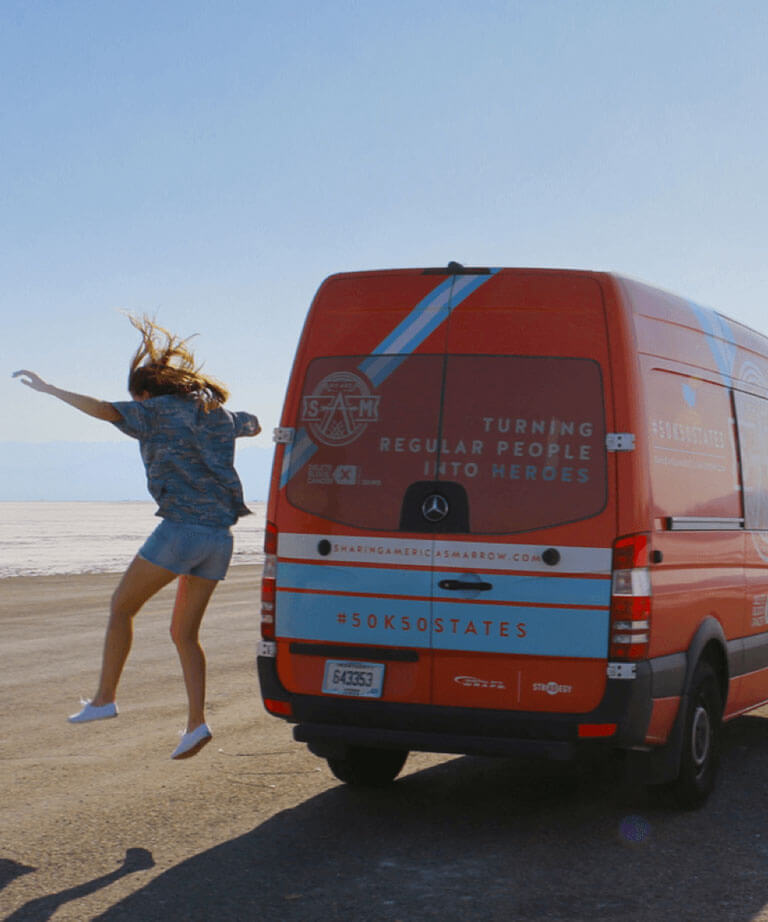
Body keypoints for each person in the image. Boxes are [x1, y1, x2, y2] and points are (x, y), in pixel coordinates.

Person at [13, 315, 261, 759]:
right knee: (185, 634)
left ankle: (105, 699)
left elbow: (105, 411)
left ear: (144, 394)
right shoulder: (217, 414)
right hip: (220, 539)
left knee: (122, 607)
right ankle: (196, 724)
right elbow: (253, 423)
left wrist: (50, 390)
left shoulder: (153, 411)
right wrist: (240, 423)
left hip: (181, 531)